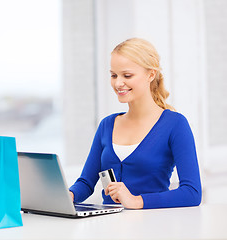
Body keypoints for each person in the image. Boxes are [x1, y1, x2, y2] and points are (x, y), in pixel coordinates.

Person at [69, 38, 202, 209]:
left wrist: (136, 200)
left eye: (127, 75)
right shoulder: (107, 125)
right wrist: (68, 195)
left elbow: (192, 192)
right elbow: (86, 183)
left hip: (153, 227)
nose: (118, 83)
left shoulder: (175, 124)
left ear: (151, 74)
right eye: (113, 75)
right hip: (109, 227)